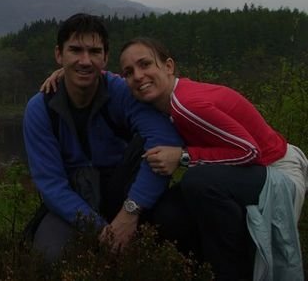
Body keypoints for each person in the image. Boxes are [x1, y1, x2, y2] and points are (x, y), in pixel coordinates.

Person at [42, 36, 307, 280]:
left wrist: (183, 156)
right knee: (167, 212)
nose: (138, 76)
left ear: (168, 66)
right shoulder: (164, 98)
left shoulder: (186, 106)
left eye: (145, 64)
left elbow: (249, 151)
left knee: (199, 182)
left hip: (276, 170)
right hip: (246, 171)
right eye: (129, 72)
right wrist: (68, 74)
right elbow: (112, 79)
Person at [23, 14, 183, 262]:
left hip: (125, 191)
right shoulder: (40, 109)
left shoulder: (121, 91)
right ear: (59, 55)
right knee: (48, 256)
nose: (85, 60)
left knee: (177, 226)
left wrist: (130, 212)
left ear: (105, 58)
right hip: (73, 200)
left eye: (94, 51)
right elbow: (51, 184)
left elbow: (163, 141)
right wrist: (101, 230)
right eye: (75, 50)